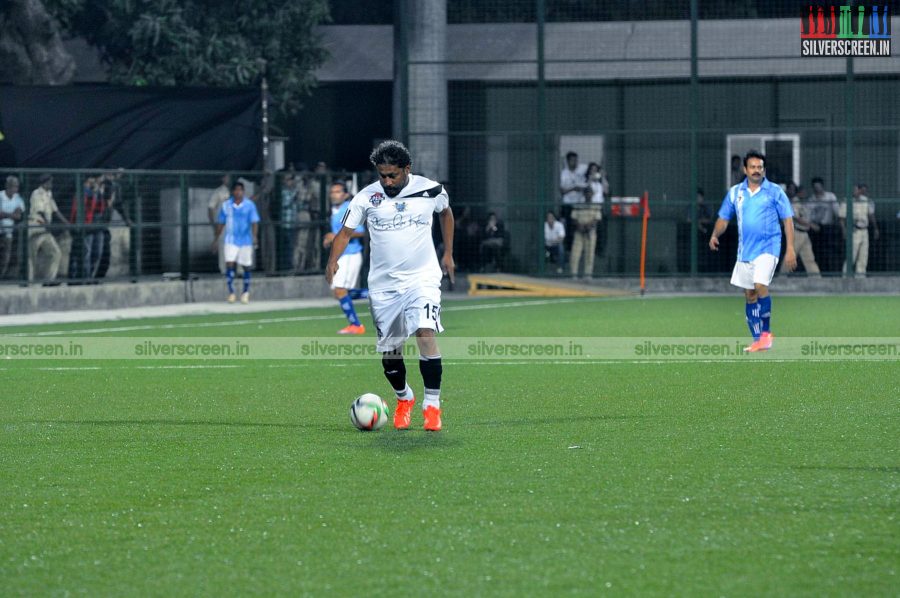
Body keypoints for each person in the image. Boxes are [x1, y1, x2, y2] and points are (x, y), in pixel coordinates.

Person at [325, 140, 454, 432]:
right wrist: (333, 260)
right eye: (382, 175)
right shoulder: (365, 197)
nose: (387, 181)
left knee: (425, 331)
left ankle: (432, 405)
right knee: (391, 350)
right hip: (383, 285)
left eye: (392, 175)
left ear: (407, 169)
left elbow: (446, 213)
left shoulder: (431, 189)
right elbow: (345, 233)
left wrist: (447, 253)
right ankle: (404, 398)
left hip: (422, 278)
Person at [709, 150, 796, 352]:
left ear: (764, 169)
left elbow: (788, 219)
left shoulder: (775, 192)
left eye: (760, 167)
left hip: (769, 248)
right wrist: (715, 234)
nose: (757, 171)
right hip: (745, 251)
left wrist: (790, 247)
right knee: (749, 294)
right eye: (753, 167)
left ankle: (766, 334)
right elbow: (724, 218)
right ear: (745, 169)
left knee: (759, 284)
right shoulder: (735, 193)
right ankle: (758, 339)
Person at [323, 181, 368, 334]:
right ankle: (380, 294)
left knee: (340, 290)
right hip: (342, 256)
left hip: (351, 254)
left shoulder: (348, 208)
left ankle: (356, 325)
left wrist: (334, 236)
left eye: (337, 192)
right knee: (338, 291)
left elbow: (361, 231)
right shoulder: (334, 210)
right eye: (332, 192)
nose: (333, 195)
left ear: (345, 194)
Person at [212, 181, 260, 303]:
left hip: (245, 240)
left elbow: (254, 222)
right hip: (231, 239)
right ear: (233, 192)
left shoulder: (249, 205)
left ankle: (245, 292)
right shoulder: (226, 205)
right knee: (230, 263)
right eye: (236, 190)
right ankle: (231, 292)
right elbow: (221, 223)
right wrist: (216, 239)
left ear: (243, 192)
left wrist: (254, 236)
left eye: (240, 190)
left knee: (246, 266)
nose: (238, 192)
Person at [28, 174, 69, 282]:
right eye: (50, 182)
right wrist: (48, 224)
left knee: (55, 253)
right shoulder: (36, 193)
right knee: (31, 256)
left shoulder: (49, 194)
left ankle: (49, 280)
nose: (51, 184)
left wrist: (66, 222)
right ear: (44, 183)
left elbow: (55, 210)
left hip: (45, 229)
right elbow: (39, 211)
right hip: (36, 227)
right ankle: (28, 281)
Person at [569, 161, 606, 280]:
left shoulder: (595, 203)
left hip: (590, 231)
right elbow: (573, 217)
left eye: (590, 193)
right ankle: (573, 274)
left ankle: (588, 274)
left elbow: (597, 218)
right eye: (587, 193)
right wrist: (580, 226)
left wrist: (589, 226)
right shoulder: (579, 203)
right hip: (579, 231)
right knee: (575, 253)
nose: (588, 195)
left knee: (590, 254)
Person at [837, 183, 878, 277]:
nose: (855, 191)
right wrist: (844, 230)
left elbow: (871, 215)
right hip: (854, 230)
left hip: (864, 230)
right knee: (852, 254)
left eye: (856, 189)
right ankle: (846, 275)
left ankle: (860, 276)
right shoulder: (846, 201)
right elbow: (841, 218)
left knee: (864, 255)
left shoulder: (865, 200)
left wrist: (875, 228)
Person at [781, 181, 820, 276]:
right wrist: (811, 225)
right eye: (803, 192)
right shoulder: (795, 201)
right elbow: (796, 218)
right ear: (799, 192)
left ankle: (815, 277)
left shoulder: (804, 203)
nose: (805, 194)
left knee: (809, 257)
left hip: (805, 233)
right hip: (797, 233)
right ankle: (782, 276)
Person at [807, 176, 839, 272]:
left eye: (819, 187)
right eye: (815, 187)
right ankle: (819, 270)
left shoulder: (830, 197)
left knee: (829, 251)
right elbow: (808, 216)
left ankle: (830, 270)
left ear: (822, 186)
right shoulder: (811, 200)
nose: (817, 189)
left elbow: (837, 211)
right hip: (816, 228)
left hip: (828, 227)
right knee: (817, 251)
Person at [0, 175, 25, 279]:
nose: (15, 188)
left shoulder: (18, 198)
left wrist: (5, 214)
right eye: (12, 186)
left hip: (8, 232)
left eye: (16, 186)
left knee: (5, 258)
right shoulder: (0, 196)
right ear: (7, 186)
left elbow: (18, 216)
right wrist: (11, 215)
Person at [208, 174, 232, 274]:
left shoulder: (236, 191)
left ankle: (238, 270)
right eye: (227, 177)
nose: (229, 179)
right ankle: (224, 270)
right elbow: (211, 208)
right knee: (223, 246)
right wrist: (213, 223)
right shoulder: (218, 192)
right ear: (222, 179)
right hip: (223, 223)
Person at [559, 151, 587, 235]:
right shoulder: (564, 174)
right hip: (568, 204)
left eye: (576, 160)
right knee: (569, 226)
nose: (575, 162)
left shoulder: (581, 171)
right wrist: (573, 188)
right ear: (568, 161)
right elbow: (562, 191)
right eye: (573, 160)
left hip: (579, 204)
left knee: (579, 225)